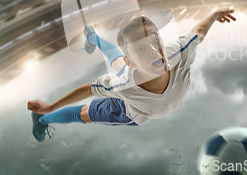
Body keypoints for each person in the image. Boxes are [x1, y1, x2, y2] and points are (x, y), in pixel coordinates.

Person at [27, 8, 236, 142]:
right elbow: (90, 88)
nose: (155, 50)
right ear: (132, 62)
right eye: (142, 48)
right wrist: (51, 106)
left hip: (133, 70)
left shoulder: (179, 52)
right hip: (126, 110)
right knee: (83, 113)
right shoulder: (122, 85)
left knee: (117, 60)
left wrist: (215, 14)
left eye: (155, 41)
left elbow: (198, 31)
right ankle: (43, 119)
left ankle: (93, 37)